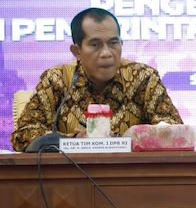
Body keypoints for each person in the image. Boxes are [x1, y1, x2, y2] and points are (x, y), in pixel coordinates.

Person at [11, 8, 183, 151]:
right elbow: (24, 134)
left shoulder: (144, 78)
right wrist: (74, 141)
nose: (107, 53)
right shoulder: (57, 80)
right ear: (77, 51)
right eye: (95, 45)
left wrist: (129, 139)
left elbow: (174, 130)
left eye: (113, 43)